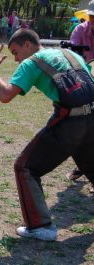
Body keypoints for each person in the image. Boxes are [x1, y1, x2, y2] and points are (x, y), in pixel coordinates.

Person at [0, 29, 94, 241]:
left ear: (27, 45)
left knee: (25, 167)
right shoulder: (69, 53)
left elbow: (5, 95)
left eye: (16, 52)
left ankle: (40, 227)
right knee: (91, 166)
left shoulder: (31, 62)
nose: (16, 59)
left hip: (70, 122)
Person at [66, 0, 94, 191]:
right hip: (83, 78)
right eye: (91, 16)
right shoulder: (79, 31)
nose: (93, 20)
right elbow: (73, 56)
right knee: (79, 123)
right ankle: (84, 166)